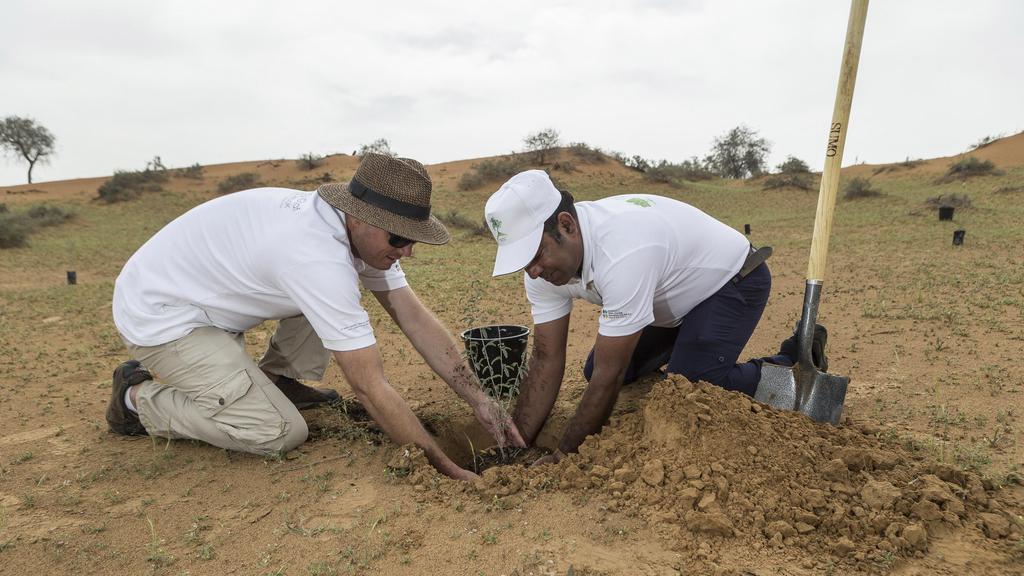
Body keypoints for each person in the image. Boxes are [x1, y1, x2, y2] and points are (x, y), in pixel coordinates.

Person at [108, 153, 524, 480]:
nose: (408, 251)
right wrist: (442, 465)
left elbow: (413, 318)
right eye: (400, 238)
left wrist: (481, 402)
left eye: (413, 238)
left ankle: (276, 381)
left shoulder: (356, 236)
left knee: (331, 298)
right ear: (360, 217)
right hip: (163, 316)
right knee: (277, 432)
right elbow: (367, 384)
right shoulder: (315, 257)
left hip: (207, 295)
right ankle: (134, 400)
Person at [483, 170, 826, 464]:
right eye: (523, 262)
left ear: (567, 225)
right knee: (594, 370)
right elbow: (546, 358)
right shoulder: (542, 271)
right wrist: (515, 445)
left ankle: (791, 360)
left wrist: (565, 454)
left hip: (732, 281)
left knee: (690, 387)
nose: (534, 271)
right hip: (668, 302)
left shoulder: (622, 250)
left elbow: (610, 374)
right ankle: (691, 348)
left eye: (537, 254)